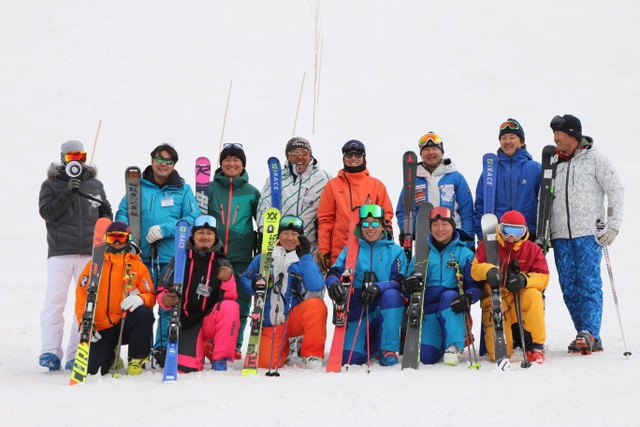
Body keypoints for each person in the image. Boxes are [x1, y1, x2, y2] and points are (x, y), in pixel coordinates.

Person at [115, 143, 200, 365]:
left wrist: (166, 229)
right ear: (152, 160)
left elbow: (192, 219)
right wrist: (130, 239)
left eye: (168, 161)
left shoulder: (183, 190)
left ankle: (162, 347)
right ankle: (138, 352)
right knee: (140, 303)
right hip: (140, 257)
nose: (163, 164)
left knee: (167, 302)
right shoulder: (138, 188)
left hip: (170, 257)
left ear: (174, 165)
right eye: (159, 159)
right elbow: (122, 213)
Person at [548, 114, 624, 354]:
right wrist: (546, 232)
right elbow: (545, 200)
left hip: (587, 234)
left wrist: (613, 224)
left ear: (572, 135)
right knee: (569, 287)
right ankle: (584, 332)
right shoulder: (553, 163)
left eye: (558, 134)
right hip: (560, 236)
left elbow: (615, 190)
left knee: (588, 284)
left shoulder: (595, 160)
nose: (555, 139)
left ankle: (590, 332)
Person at [38, 140, 113, 371]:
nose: (76, 159)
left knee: (85, 303)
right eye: (71, 155)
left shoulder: (95, 184)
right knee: (55, 300)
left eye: (80, 154)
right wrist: (68, 191)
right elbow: (47, 213)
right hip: (60, 252)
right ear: (63, 158)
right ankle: (50, 351)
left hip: (89, 253)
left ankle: (74, 353)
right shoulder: (51, 184)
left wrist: (107, 216)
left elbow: (105, 214)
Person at [240, 215, 327, 369]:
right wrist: (254, 285)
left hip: (292, 317)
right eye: (285, 233)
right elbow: (245, 279)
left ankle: (312, 354)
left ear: (301, 237)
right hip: (270, 322)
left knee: (317, 305)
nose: (290, 238)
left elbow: (316, 285)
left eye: (294, 234)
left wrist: (305, 257)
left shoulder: (304, 260)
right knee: (265, 364)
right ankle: (282, 349)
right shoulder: (264, 257)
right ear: (279, 235)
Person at [325, 204, 407, 367]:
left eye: (375, 223)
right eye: (366, 224)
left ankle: (388, 348)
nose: (371, 228)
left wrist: (379, 287)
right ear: (360, 226)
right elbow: (334, 272)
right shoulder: (350, 250)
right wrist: (333, 284)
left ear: (383, 225)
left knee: (392, 296)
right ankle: (372, 344)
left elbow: (399, 282)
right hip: (360, 307)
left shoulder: (395, 251)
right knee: (349, 359)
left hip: (383, 304)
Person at [156, 215, 240, 372]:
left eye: (209, 233)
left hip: (209, 321)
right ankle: (200, 346)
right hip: (186, 324)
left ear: (215, 238)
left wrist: (228, 280)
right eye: (200, 232)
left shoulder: (223, 263)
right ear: (193, 236)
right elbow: (162, 289)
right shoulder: (179, 260)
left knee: (231, 307)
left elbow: (231, 299)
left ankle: (219, 358)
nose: (205, 237)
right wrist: (165, 300)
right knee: (186, 369)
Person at [403, 207, 482, 366]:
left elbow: (476, 284)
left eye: (445, 224)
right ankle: (444, 340)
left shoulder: (464, 253)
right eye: (435, 225)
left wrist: (469, 296)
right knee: (427, 357)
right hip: (429, 311)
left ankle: (454, 345)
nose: (440, 229)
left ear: (453, 226)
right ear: (430, 227)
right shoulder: (421, 254)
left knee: (449, 296)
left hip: (451, 308)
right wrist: (407, 285)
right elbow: (406, 285)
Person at [74, 221, 155, 376]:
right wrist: (84, 321)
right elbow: (81, 292)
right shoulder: (94, 265)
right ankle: (112, 356)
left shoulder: (137, 266)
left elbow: (151, 294)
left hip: (124, 322)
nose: (117, 243)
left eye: (121, 238)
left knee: (144, 313)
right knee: (93, 370)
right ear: (106, 239)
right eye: (112, 239)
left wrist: (141, 298)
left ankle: (136, 358)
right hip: (102, 326)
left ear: (128, 239)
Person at [471, 210, 549, 363]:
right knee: (498, 355)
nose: (512, 237)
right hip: (497, 301)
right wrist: (489, 271)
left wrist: (524, 280)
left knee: (533, 295)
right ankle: (507, 343)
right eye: (507, 231)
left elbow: (544, 277)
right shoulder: (487, 246)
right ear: (500, 229)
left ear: (524, 231)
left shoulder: (532, 249)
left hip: (520, 298)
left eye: (517, 232)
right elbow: (474, 270)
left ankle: (536, 345)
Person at [206, 142, 260, 360]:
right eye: (227, 159)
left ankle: (235, 344)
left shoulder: (252, 192)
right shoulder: (208, 189)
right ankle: (209, 341)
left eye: (236, 159)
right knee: (210, 299)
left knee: (241, 302)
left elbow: (261, 221)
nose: (231, 163)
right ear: (221, 163)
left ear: (243, 164)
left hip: (241, 257)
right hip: (214, 255)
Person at [317, 140, 394, 272]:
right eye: (349, 155)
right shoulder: (332, 185)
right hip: (340, 251)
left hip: (371, 251)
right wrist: (324, 249)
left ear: (364, 158)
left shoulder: (376, 185)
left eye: (358, 155)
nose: (353, 158)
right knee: (340, 290)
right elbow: (325, 220)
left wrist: (387, 247)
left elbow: (386, 218)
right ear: (343, 158)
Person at [396, 132, 474, 250]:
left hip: (453, 238)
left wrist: (468, 240)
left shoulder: (455, 177)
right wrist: (406, 230)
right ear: (421, 154)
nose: (431, 152)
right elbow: (403, 211)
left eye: (434, 149)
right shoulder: (413, 179)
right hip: (424, 240)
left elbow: (467, 212)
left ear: (442, 152)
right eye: (426, 149)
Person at [257, 137, 332, 259]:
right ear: (287, 156)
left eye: (304, 152)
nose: (300, 157)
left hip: (311, 247)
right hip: (281, 245)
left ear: (310, 155)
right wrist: (268, 235)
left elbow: (331, 212)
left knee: (309, 276)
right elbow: (264, 208)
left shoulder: (324, 178)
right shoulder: (276, 178)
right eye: (294, 153)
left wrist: (326, 245)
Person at [473, 119, 541, 241]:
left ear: (522, 141)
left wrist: (541, 234)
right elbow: (480, 203)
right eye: (503, 138)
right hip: (497, 235)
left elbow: (544, 202)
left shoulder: (535, 168)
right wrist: (480, 233)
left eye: (512, 137)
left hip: (527, 234)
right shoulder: (490, 170)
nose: (507, 141)